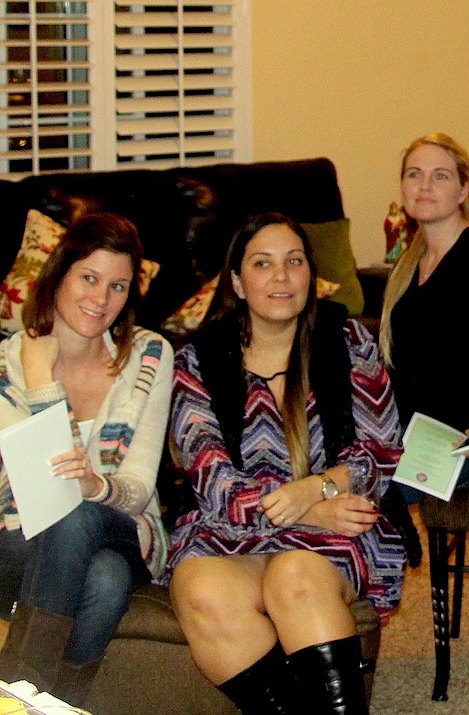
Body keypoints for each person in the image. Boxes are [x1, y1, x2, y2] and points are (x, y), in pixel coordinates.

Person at [166, 212, 405, 715]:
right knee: (202, 587)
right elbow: (211, 478)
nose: (281, 276)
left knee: (294, 577)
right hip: (231, 528)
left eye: (294, 262)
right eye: (263, 263)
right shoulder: (197, 360)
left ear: (311, 276)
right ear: (237, 281)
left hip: (335, 530)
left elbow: (379, 452)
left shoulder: (349, 343)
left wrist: (315, 491)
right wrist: (303, 506)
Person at [0, 213, 173, 705]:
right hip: (19, 538)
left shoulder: (149, 356)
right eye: (89, 278)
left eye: (118, 287)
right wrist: (38, 375)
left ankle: (13, 697)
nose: (101, 300)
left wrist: (96, 487)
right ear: (58, 274)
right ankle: (59, 701)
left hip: (122, 527)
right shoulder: (6, 366)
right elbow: (33, 487)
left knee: (80, 517)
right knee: (104, 578)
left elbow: (137, 486)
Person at [378, 133, 469, 561]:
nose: (424, 186)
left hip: (465, 438)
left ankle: (389, 521)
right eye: (414, 175)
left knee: (360, 486)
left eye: (440, 176)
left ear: (463, 191)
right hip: (409, 432)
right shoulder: (409, 263)